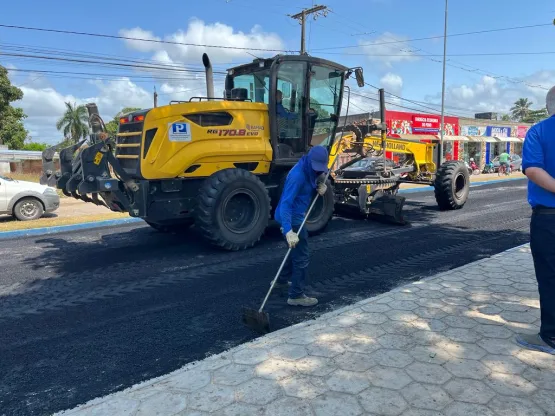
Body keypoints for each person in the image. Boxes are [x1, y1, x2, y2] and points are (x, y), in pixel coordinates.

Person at [516, 85, 555, 355]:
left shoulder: (539, 131)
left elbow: (532, 168)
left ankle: (550, 337)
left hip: (549, 219)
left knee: (550, 277)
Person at [273, 146, 329, 306]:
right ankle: (296, 295)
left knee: (294, 251)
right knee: (302, 257)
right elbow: (286, 203)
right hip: (292, 220)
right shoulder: (297, 175)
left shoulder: (309, 169)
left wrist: (319, 186)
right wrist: (288, 230)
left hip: (295, 217)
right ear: (309, 160)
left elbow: (313, 180)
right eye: (316, 168)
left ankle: (281, 281)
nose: (318, 171)